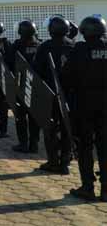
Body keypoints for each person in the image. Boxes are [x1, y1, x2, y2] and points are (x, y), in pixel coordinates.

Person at [62, 16, 106, 202]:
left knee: (85, 147)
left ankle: (87, 187)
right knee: (105, 147)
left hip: (84, 107)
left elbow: (66, 78)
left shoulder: (79, 49)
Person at [33, 15, 74, 175]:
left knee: (50, 129)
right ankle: (65, 161)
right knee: (67, 129)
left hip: (49, 95)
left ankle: (53, 161)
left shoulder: (45, 47)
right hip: (69, 95)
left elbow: (37, 72)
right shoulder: (73, 46)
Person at [7, 20, 41, 153]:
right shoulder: (40, 45)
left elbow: (8, 63)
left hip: (21, 85)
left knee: (21, 117)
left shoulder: (17, 45)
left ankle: (23, 143)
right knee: (35, 117)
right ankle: (34, 144)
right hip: (37, 87)